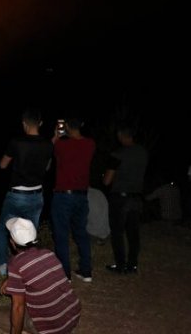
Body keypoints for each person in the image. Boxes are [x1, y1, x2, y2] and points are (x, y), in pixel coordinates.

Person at [0, 107, 53, 276]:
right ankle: (29, 267)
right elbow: (47, 167)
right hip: (37, 194)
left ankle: (3, 266)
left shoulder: (17, 142)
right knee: (30, 233)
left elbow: (2, 165)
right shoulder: (48, 144)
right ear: (40, 123)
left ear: (24, 123)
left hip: (17, 194)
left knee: (3, 229)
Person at [0, 217, 81, 334]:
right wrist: (10, 280)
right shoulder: (48, 253)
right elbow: (37, 273)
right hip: (72, 315)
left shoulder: (16, 264)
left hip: (54, 327)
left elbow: (18, 307)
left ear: (12, 242)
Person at [50, 115, 95, 282]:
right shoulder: (90, 144)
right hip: (81, 196)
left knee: (61, 234)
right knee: (81, 233)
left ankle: (65, 274)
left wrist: (56, 136)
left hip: (63, 195)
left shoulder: (61, 144)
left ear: (66, 126)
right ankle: (86, 271)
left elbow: (51, 151)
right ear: (81, 124)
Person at [103, 125, 148, 274]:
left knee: (117, 232)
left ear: (122, 135)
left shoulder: (118, 154)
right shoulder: (143, 152)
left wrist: (104, 176)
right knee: (133, 233)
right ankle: (133, 264)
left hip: (120, 197)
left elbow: (107, 181)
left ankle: (120, 265)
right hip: (136, 196)